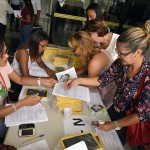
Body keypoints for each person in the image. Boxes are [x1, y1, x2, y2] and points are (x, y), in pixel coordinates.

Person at [64, 20, 150, 148]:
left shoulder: (147, 76)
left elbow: (141, 115)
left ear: (137, 52)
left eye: (122, 53)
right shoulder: (122, 63)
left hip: (128, 122)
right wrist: (78, 80)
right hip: (113, 109)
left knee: (108, 145)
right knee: (95, 137)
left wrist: (115, 124)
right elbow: (102, 79)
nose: (118, 56)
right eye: (117, 51)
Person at [0, 37, 57, 143]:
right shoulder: (21, 53)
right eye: (2, 54)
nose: (7, 56)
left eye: (6, 52)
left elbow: (20, 79)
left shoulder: (4, 64)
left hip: (5, 105)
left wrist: (41, 81)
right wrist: (22, 103)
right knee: (16, 138)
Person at [11, 30, 55, 98]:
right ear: (35, 43)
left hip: (25, 78)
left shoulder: (34, 50)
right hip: (18, 85)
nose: (45, 48)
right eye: (43, 46)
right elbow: (26, 77)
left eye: (46, 46)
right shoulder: (23, 52)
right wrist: (47, 79)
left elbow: (40, 61)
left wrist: (47, 69)